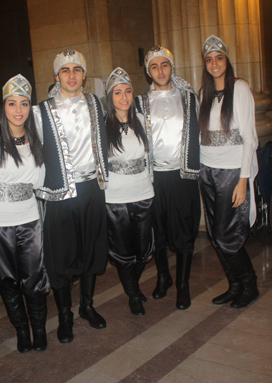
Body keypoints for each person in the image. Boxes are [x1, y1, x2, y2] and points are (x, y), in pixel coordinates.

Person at [33, 49, 108, 344]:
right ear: (56, 76)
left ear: (84, 75)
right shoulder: (42, 110)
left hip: (91, 187)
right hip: (60, 192)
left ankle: (87, 306)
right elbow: (34, 152)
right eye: (66, 70)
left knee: (91, 249)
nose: (72, 75)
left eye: (77, 69)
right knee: (61, 257)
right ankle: (65, 315)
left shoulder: (94, 103)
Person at [0, 74, 50, 353]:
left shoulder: (36, 139)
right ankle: (21, 329)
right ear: (3, 106)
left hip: (29, 218)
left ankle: (40, 328)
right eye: (12, 103)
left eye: (23, 104)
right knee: (7, 281)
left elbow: (40, 180)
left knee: (34, 278)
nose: (18, 110)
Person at [136, 46, 200, 310]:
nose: (160, 71)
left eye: (165, 65)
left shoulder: (187, 97)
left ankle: (183, 286)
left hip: (182, 175)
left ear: (171, 67)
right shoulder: (139, 102)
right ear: (148, 71)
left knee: (184, 230)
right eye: (154, 66)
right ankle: (164, 277)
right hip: (153, 178)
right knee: (157, 230)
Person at [198, 35, 259, 308]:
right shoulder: (204, 94)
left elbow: (250, 138)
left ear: (227, 60)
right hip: (207, 171)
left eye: (219, 58)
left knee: (227, 235)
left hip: (231, 173)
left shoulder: (241, 88)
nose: (214, 64)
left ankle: (250, 284)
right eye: (209, 60)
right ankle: (234, 285)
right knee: (215, 233)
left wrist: (243, 180)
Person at [104, 68, 154, 316]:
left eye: (127, 91)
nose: (123, 97)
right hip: (116, 198)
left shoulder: (143, 121)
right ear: (110, 97)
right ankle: (133, 294)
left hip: (143, 194)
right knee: (123, 253)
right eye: (117, 92)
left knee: (144, 252)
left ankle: (132, 285)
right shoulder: (102, 126)